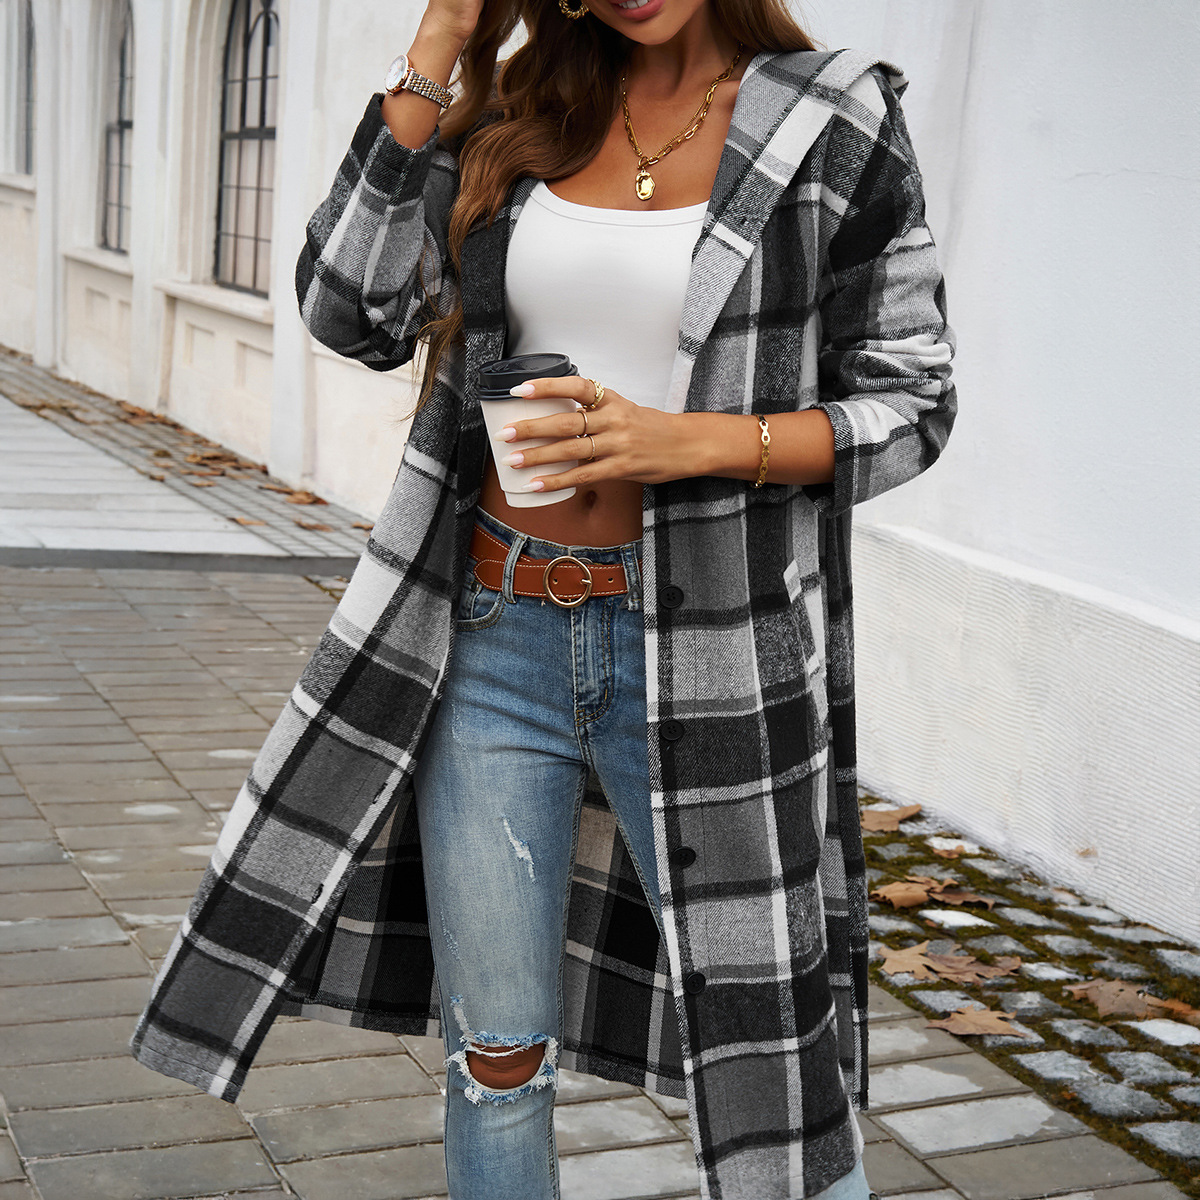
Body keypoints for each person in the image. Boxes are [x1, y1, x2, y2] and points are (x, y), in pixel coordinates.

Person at [130, 1, 955, 1197]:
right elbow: (350, 309)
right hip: (490, 633)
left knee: (773, 1068)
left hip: (712, 653)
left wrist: (688, 441)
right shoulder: (520, 120)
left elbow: (913, 401)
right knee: (496, 1060)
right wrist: (440, 42)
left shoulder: (829, 118)